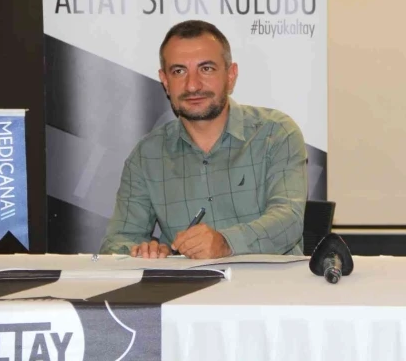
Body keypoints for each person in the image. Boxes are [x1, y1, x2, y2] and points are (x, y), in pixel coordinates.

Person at [100, 20, 307, 259]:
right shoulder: (147, 155)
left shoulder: (276, 133)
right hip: (184, 284)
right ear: (165, 81)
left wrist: (226, 243)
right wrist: (144, 251)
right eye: (179, 71)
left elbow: (289, 220)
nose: (192, 85)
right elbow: (116, 242)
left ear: (231, 75)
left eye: (206, 69)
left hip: (269, 282)